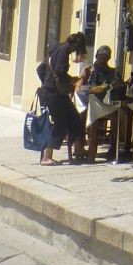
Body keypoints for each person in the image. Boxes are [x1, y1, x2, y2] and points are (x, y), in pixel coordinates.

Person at [38, 32, 87, 165]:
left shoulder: (57, 48)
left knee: (75, 118)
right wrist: (70, 80)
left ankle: (78, 150)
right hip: (54, 93)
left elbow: (40, 69)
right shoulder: (64, 50)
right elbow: (60, 71)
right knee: (61, 123)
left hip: (53, 92)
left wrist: (47, 83)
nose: (77, 52)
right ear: (77, 45)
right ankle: (46, 157)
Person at [76, 45, 125, 162]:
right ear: (96, 56)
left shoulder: (112, 72)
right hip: (89, 104)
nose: (101, 60)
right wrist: (82, 84)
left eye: (104, 57)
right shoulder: (88, 70)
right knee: (80, 115)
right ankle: (80, 147)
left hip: (106, 105)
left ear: (108, 58)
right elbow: (79, 85)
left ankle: (115, 148)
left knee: (117, 116)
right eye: (99, 57)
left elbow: (119, 86)